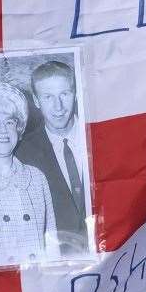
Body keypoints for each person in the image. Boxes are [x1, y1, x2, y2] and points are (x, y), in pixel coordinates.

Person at [0, 81, 57, 268]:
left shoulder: (36, 178)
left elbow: (52, 242)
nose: (3, 130)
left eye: (10, 122)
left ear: (19, 130)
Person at [16, 60, 91, 256]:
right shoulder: (22, 153)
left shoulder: (100, 134)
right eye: (48, 97)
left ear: (75, 95)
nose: (58, 107)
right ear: (37, 100)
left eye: (64, 94)